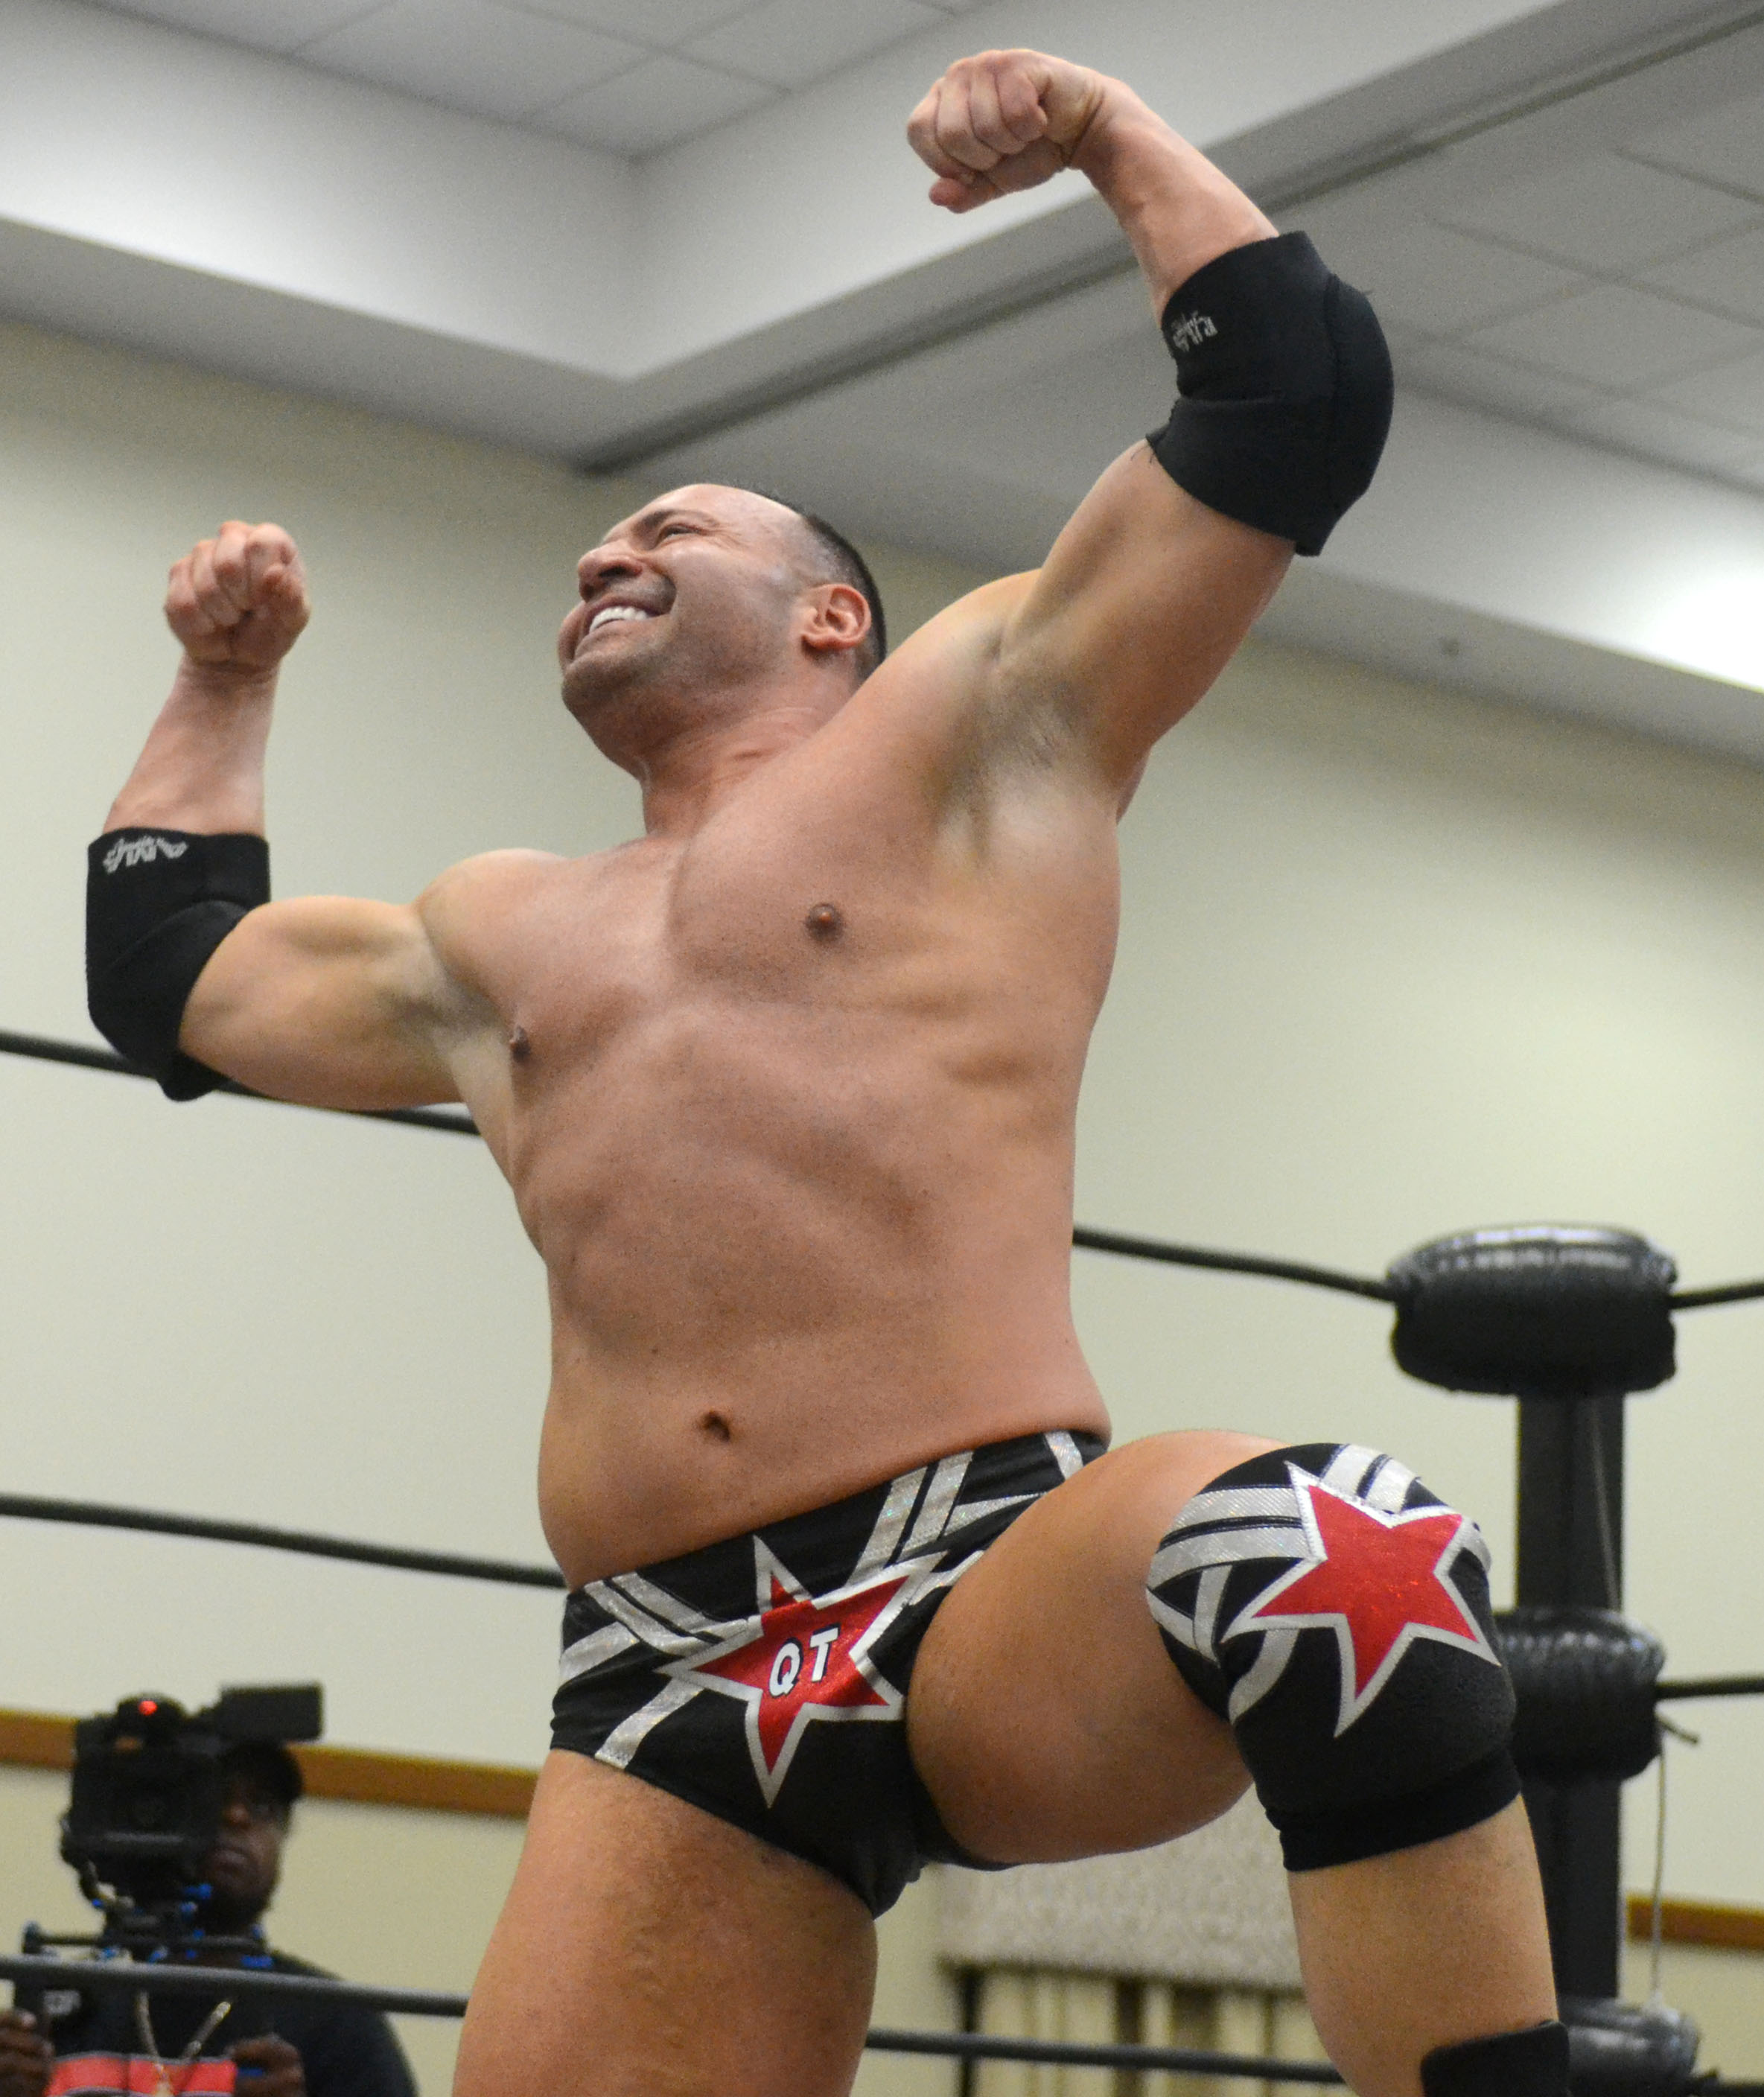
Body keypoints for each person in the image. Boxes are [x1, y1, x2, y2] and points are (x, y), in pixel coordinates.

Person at [83, 46, 1567, 2097]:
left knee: (1334, 1561)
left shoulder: (983, 724)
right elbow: (166, 975)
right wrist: (222, 681)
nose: (602, 556)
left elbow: (1293, 394)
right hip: (664, 1674)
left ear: (829, 616)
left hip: (979, 1584)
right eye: (588, 551)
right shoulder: (490, 935)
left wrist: (1108, 134)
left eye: (667, 528)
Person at [0, 1741, 416, 2097]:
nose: (237, 1817)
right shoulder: (61, 2014)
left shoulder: (338, 2024)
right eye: (214, 1796)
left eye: (263, 1807)